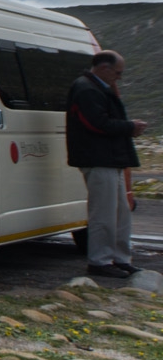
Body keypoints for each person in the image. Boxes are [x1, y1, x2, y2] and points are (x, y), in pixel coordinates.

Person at [65, 50, 147, 278]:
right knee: (103, 212)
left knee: (121, 211)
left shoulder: (97, 88)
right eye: (118, 73)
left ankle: (120, 258)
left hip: (111, 158)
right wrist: (129, 127)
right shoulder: (86, 89)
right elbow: (96, 123)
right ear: (104, 69)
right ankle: (99, 260)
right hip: (98, 158)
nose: (119, 78)